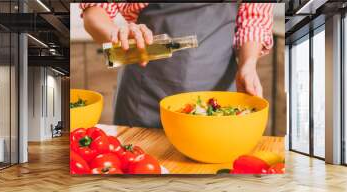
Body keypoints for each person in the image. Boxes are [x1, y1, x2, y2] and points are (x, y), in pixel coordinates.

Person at [80, 3, 273, 128]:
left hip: (218, 91)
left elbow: (254, 18)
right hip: (144, 96)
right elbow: (95, 10)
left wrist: (248, 65)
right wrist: (118, 34)